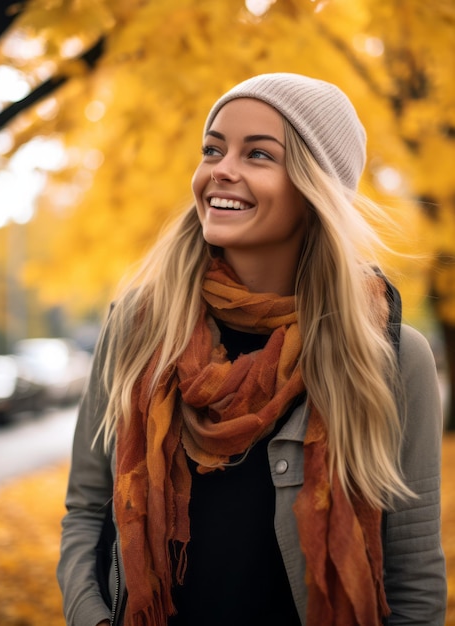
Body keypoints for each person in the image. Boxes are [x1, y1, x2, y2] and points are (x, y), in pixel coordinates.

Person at [57, 73, 446, 626]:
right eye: (213, 148)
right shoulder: (139, 329)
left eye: (258, 154)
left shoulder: (388, 357)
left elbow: (414, 574)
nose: (221, 169)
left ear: (316, 189)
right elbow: (86, 512)